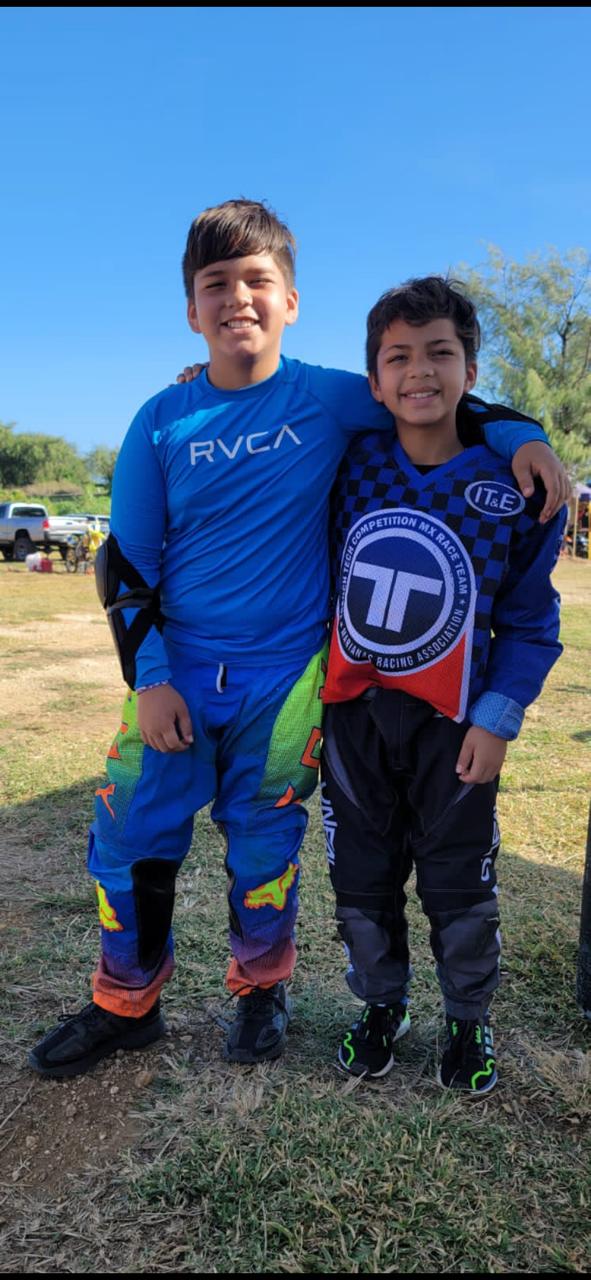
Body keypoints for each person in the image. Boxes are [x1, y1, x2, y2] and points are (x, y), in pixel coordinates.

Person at [28, 201, 568, 1080]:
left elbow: (433, 394)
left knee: (264, 847)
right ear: (192, 310)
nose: (237, 297)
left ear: (290, 301)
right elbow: (125, 565)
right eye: (216, 285)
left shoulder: (328, 397)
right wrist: (152, 678)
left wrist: (521, 432)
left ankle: (259, 991)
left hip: (288, 683)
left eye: (256, 282)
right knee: (128, 837)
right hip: (177, 676)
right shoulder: (159, 420)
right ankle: (124, 1002)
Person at [320, 276, 565, 1094]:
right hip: (354, 717)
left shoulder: (520, 490)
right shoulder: (344, 467)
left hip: (457, 726)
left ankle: (468, 1018)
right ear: (373, 378)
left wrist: (497, 719)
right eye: (398, 357)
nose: (418, 372)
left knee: (459, 881)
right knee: (360, 877)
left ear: (470, 368)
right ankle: (379, 1005)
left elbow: (531, 624)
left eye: (439, 354)